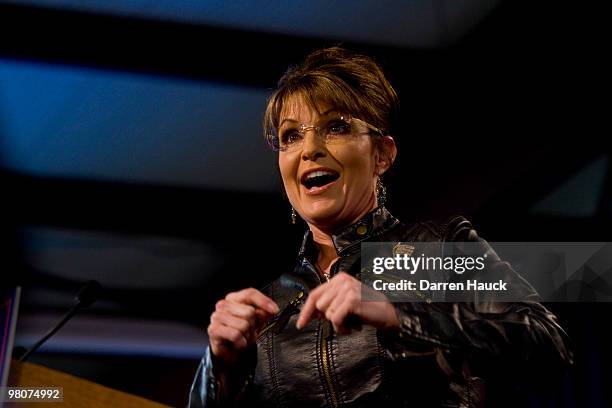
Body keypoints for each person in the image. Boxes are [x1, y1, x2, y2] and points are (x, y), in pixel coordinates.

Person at [188, 47, 572, 407]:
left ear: (382, 155)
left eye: (336, 127)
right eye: (291, 136)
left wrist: (399, 316)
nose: (309, 150)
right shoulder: (268, 305)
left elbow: (546, 343)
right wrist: (218, 366)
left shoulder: (436, 251)